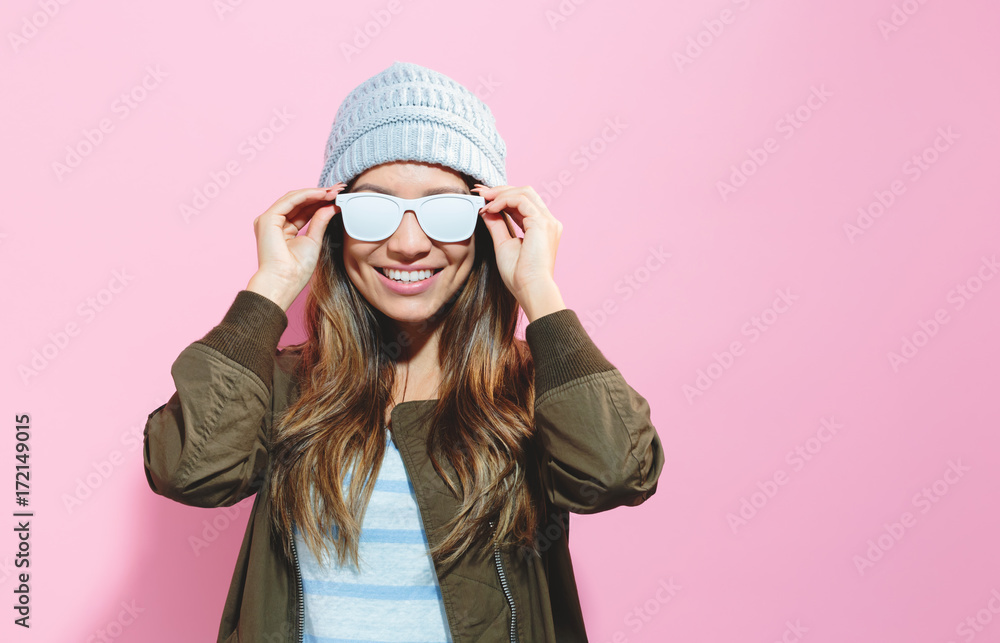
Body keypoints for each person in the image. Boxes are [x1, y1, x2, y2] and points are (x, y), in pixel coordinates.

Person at [143, 60, 664, 643]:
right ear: (333, 221)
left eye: (445, 210)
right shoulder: (286, 386)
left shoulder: (531, 387)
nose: (409, 244)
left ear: (489, 221)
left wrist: (539, 290)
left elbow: (617, 473)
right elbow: (190, 472)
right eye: (374, 209)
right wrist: (270, 287)